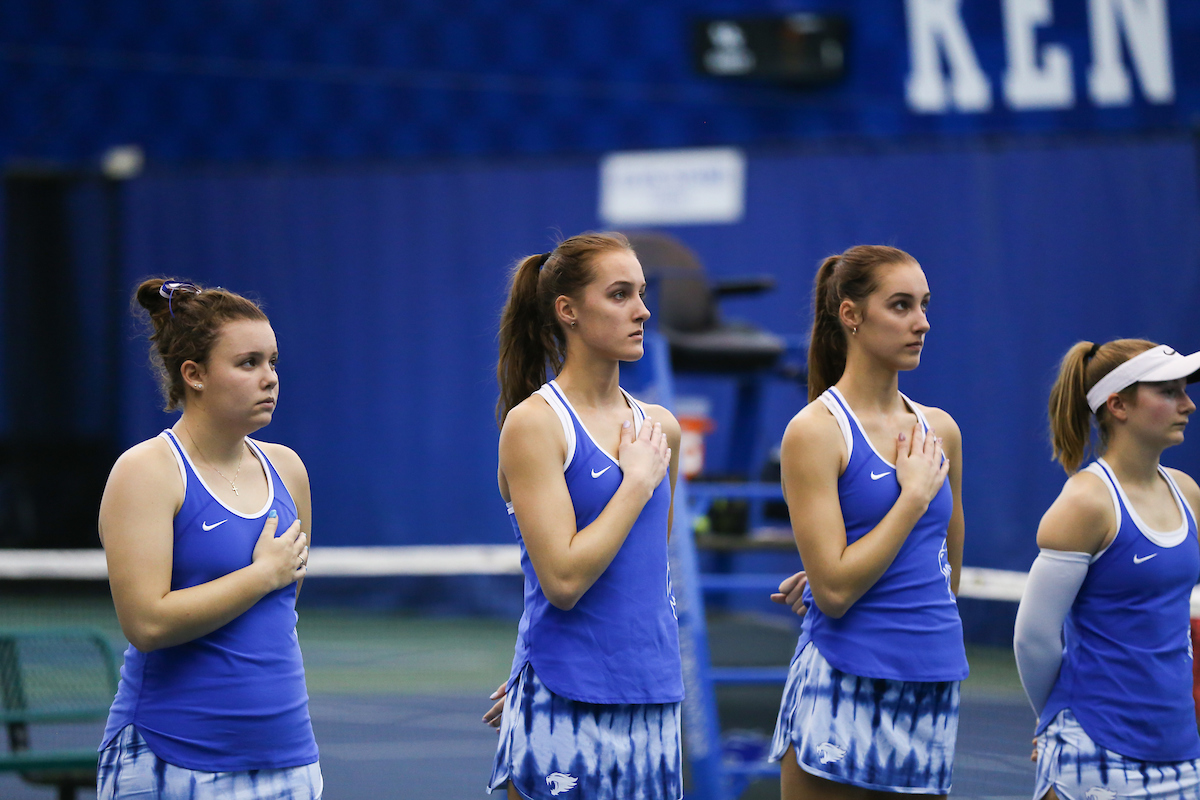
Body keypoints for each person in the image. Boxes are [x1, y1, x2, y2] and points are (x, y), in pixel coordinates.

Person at [96, 279, 321, 800]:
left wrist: (269, 582)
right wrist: (261, 575)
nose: (269, 379)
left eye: (273, 361)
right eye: (248, 363)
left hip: (288, 760)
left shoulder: (289, 470)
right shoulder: (148, 471)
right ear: (193, 375)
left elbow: (281, 608)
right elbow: (146, 623)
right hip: (168, 756)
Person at [485, 232, 683, 800]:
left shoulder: (659, 428)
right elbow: (566, 580)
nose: (642, 310)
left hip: (653, 694)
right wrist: (636, 483)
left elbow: (641, 574)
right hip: (565, 699)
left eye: (641, 293)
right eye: (620, 294)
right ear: (567, 311)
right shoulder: (535, 425)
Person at [768, 245, 968, 798]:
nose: (921, 322)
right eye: (901, 305)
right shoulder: (815, 431)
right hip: (842, 677)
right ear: (851, 315)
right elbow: (834, 594)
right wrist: (911, 499)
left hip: (932, 680)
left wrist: (859, 571)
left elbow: (944, 572)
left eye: (924, 305)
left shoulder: (942, 431)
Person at [1014, 339, 1200, 800]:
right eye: (1169, 392)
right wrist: (1054, 719)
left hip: (1181, 753)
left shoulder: (1187, 492)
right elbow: (1033, 637)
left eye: (1185, 391)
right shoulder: (1086, 503)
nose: (1188, 404)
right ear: (1118, 405)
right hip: (1091, 749)